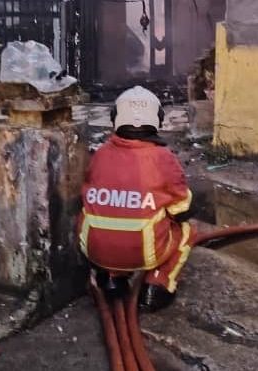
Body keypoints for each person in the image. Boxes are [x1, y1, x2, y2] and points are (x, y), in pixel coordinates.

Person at [78, 86, 194, 312]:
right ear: (157, 120)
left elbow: (88, 195)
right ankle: (157, 286)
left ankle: (111, 278)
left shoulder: (101, 153)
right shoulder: (163, 158)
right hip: (144, 253)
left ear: (115, 119)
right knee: (187, 232)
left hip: (95, 251)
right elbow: (181, 208)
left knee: (93, 214)